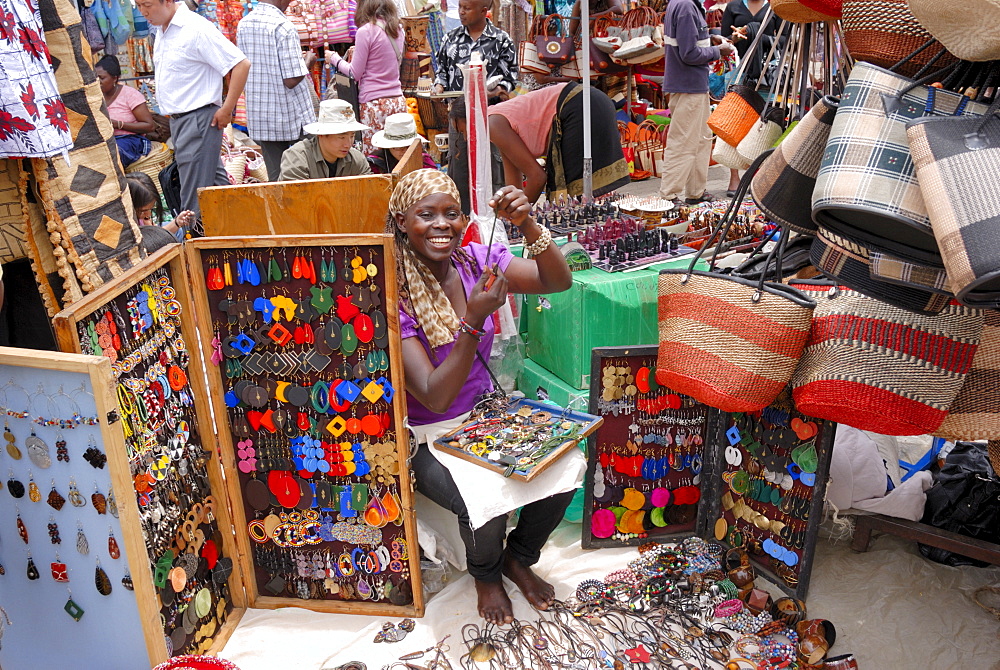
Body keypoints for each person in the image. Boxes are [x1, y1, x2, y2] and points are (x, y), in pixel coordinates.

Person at [389, 169, 572, 624]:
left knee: (567, 465)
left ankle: (518, 558)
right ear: (401, 222)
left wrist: (528, 224)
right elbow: (433, 396)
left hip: (486, 416)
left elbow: (557, 281)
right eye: (425, 214)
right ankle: (486, 576)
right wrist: (472, 321)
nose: (440, 224)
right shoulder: (394, 293)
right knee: (483, 495)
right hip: (428, 434)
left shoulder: (476, 261)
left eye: (451, 213)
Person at [136, 0, 251, 232]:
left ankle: (192, 248)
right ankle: (239, 237)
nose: (143, 12)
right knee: (215, 187)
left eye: (147, 4)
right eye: (138, 5)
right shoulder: (162, 29)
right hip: (182, 120)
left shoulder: (195, 27)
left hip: (198, 118)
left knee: (192, 197)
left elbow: (241, 64)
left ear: (168, 1)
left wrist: (227, 109)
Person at [452, 84, 629, 204]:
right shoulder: (497, 122)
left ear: (469, 118)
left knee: (576, 199)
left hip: (579, 104)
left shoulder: (492, 124)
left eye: (462, 130)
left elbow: (537, 177)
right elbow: (514, 187)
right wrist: (508, 210)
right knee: (584, 199)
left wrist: (520, 216)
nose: (466, 139)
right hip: (591, 99)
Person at [434, 0, 516, 214]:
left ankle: (497, 219)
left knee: (493, 166)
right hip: (459, 117)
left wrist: (495, 90)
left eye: (467, 8)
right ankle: (460, 220)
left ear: (483, 11)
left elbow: (510, 77)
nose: (461, 12)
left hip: (490, 116)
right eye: (460, 7)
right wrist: (439, 86)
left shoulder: (501, 40)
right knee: (459, 167)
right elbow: (441, 71)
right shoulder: (450, 38)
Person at [656, 0, 734, 206]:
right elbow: (689, 53)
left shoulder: (685, 4)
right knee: (683, 142)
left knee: (701, 140)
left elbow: (688, 41)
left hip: (692, 86)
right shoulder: (685, 7)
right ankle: (669, 196)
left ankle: (695, 192)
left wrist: (711, 38)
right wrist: (719, 51)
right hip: (687, 86)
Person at [236, 0, 318, 181]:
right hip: (292, 115)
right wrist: (308, 62)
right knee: (307, 175)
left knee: (276, 179)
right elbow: (291, 79)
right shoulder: (283, 26)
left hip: (262, 114)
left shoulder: (244, 24)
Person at [721, 0, 784, 195]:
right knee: (734, 122)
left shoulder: (776, 7)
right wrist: (737, 36)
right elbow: (725, 41)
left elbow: (785, 40)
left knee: (764, 123)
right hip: (739, 70)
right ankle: (734, 177)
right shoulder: (733, 7)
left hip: (767, 71)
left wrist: (756, 34)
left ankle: (758, 176)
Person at [328, 0, 405, 155]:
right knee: (399, 156)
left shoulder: (366, 31)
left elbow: (353, 73)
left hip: (374, 105)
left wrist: (334, 58)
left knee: (374, 158)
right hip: (397, 101)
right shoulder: (398, 29)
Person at [279, 99, 374, 180]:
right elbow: (294, 196)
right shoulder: (297, 158)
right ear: (321, 134)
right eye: (341, 137)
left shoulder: (357, 160)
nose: (348, 144)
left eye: (352, 136)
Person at [95, 55, 155, 168]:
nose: (98, 82)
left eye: (102, 78)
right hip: (105, 140)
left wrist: (118, 124)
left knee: (112, 154)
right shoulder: (94, 97)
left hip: (130, 140)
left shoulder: (130, 95)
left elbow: (149, 126)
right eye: (96, 78)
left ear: (115, 78)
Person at [124, 173, 180, 253]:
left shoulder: (144, 218)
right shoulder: (128, 225)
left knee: (179, 232)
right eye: (143, 211)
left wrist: (177, 223)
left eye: (151, 209)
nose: (149, 214)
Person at [367, 113, 437, 174]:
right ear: (388, 147)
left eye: (408, 146)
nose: (404, 151)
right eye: (397, 147)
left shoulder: (424, 160)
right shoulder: (375, 165)